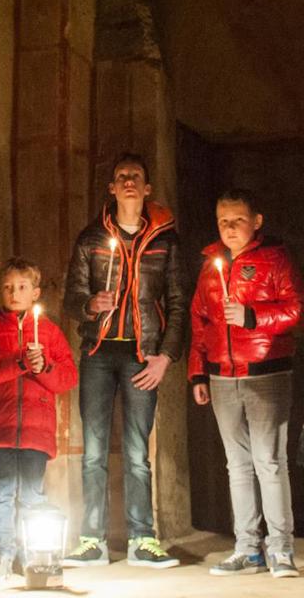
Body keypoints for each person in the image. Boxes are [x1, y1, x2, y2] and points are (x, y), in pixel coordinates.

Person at [62, 152, 184, 568]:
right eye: (121, 177)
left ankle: (142, 540)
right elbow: (71, 299)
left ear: (147, 188)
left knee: (137, 453)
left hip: (141, 356)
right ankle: (91, 540)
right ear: (112, 189)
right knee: (93, 451)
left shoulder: (165, 240)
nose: (128, 181)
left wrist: (165, 357)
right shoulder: (91, 239)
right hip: (98, 354)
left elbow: (178, 304)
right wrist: (91, 305)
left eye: (136, 176)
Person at [189, 188, 302, 578]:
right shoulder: (210, 266)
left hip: (267, 372)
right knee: (236, 465)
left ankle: (281, 549)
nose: (230, 228)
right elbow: (200, 321)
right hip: (222, 376)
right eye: (223, 221)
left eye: (237, 220)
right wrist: (198, 372)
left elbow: (294, 307)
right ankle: (247, 548)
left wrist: (253, 316)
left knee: (269, 462)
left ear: (256, 221)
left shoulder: (274, 259)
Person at [0, 257, 77, 584]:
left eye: (22, 287)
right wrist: (19, 362)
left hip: (35, 433)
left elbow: (67, 378)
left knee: (31, 497)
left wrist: (44, 367)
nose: (14, 292)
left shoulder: (51, 334)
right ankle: (2, 556)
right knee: (1, 495)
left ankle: (34, 560)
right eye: (8, 287)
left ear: (36, 293)